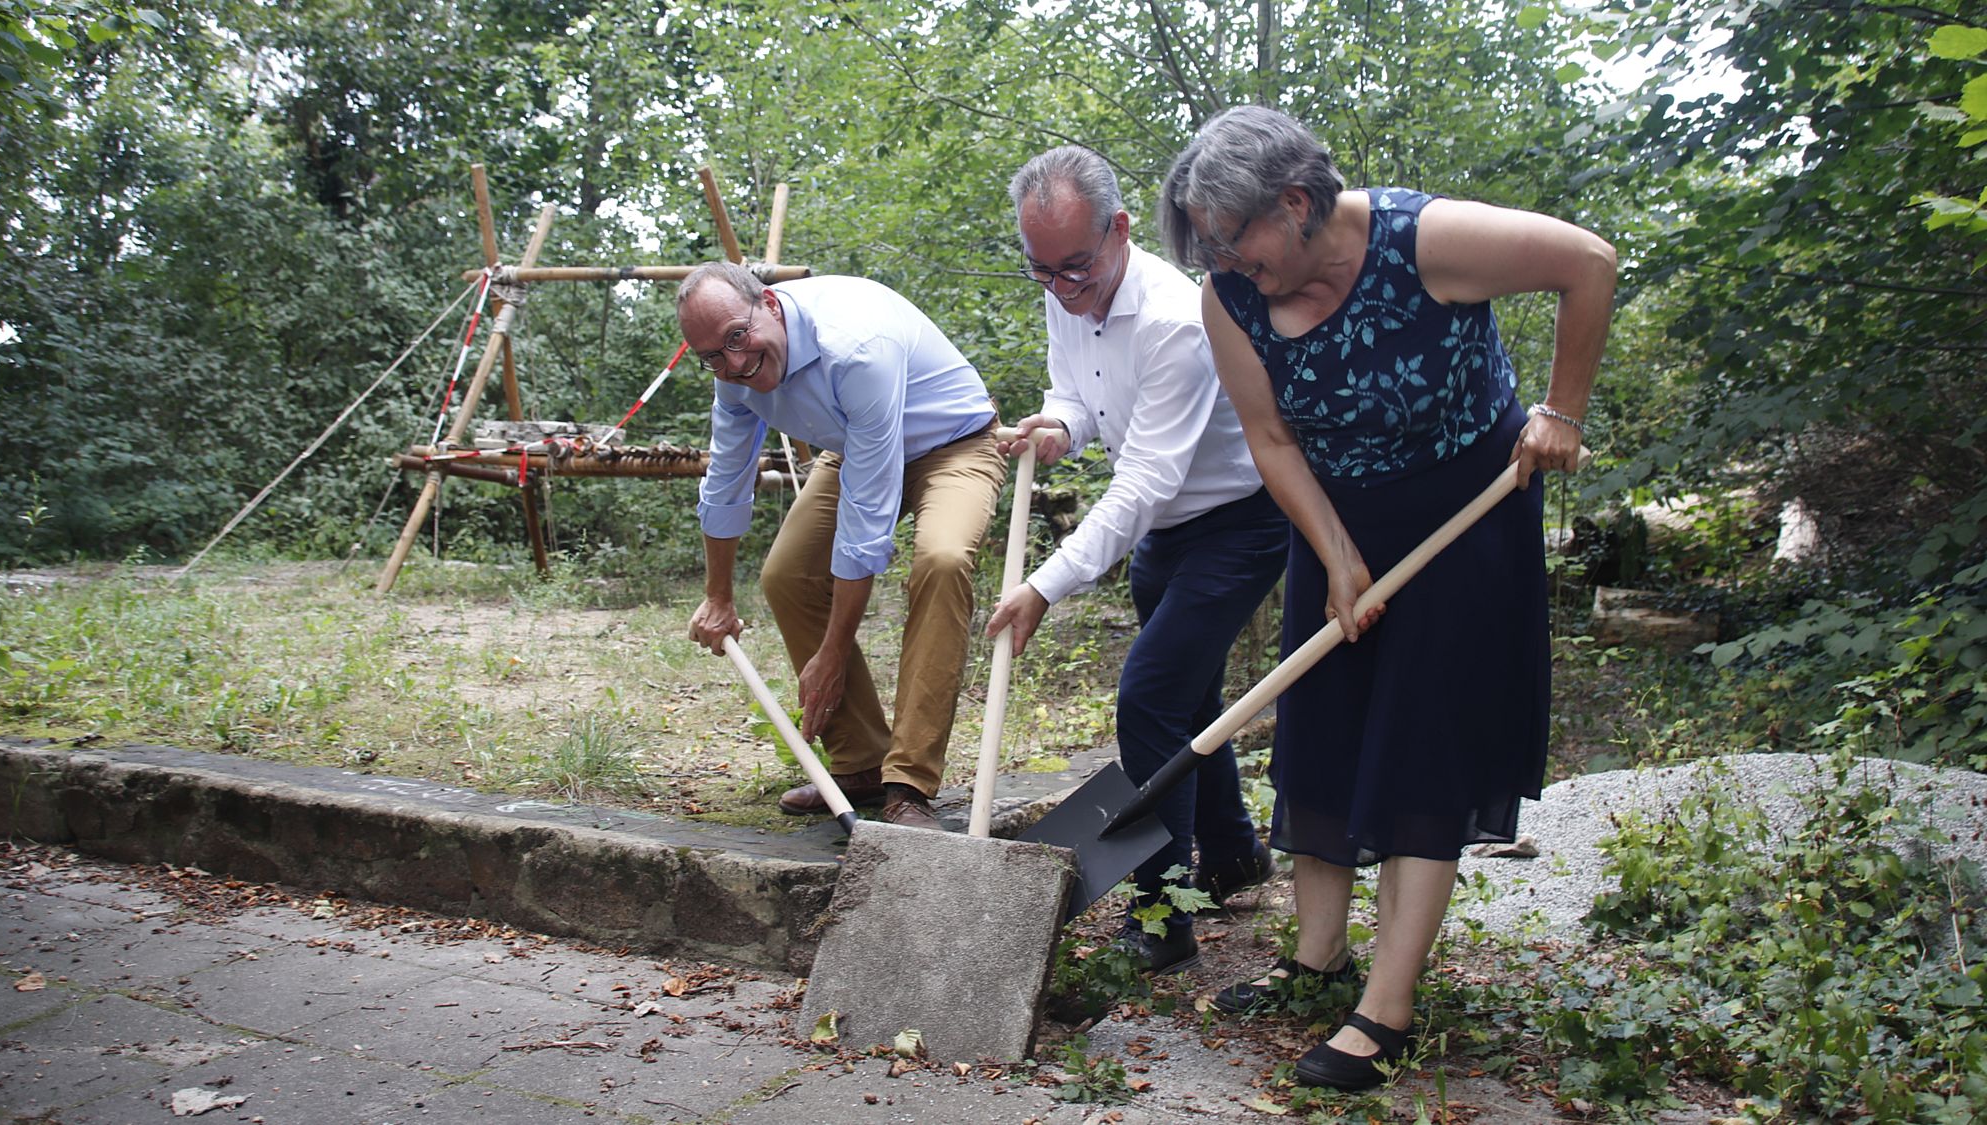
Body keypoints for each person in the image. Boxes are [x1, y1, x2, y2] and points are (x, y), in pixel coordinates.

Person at [1158, 106, 1614, 1090]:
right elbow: (1270, 439)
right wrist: (1331, 553)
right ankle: (1314, 959)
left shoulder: (1426, 242)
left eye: (1232, 241)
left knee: (1421, 752)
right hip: (1335, 520)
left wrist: (1560, 409)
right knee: (1317, 729)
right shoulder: (1228, 296)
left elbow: (1589, 259)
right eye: (1209, 248)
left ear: (1292, 204)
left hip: (1464, 520)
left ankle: (1386, 1007)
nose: (1225, 264)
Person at [988, 146, 1291, 973]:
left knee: (1150, 697)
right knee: (1187, 696)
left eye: (1076, 267)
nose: (1062, 288)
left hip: (1239, 523)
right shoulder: (1067, 282)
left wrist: (1045, 587)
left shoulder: (1175, 319)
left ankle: (1163, 913)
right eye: (1042, 271)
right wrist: (1059, 426)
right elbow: (1075, 391)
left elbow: (1148, 478)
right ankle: (1233, 857)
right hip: (1167, 534)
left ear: (1119, 230)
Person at [678, 261, 1006, 831]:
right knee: (787, 575)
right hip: (853, 444)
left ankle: (909, 783)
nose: (733, 362)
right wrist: (718, 596)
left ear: (771, 306)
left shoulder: (857, 348)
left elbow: (866, 519)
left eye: (737, 337)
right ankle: (860, 763)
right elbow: (727, 478)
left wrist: (831, 654)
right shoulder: (730, 374)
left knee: (942, 559)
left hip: (954, 442)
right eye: (712, 355)